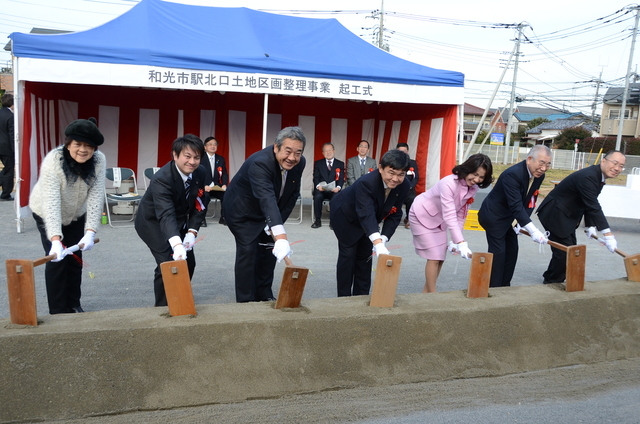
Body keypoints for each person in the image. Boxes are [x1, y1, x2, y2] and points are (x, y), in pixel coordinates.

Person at [29, 118, 106, 314]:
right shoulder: (54, 160)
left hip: (76, 215)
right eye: (78, 144)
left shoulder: (99, 160)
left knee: (74, 258)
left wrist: (90, 232)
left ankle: (73, 303)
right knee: (57, 260)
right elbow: (51, 202)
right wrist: (55, 239)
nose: (83, 150)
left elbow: (96, 197)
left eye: (88, 146)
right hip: (46, 212)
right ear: (68, 143)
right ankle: (57, 310)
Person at [224, 126, 306, 303]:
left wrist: (276, 227)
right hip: (242, 211)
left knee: (269, 251)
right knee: (249, 251)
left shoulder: (300, 163)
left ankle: (264, 293)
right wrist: (282, 236)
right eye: (288, 151)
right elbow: (266, 198)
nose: (292, 158)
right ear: (276, 147)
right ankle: (246, 301)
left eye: (297, 153)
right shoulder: (261, 162)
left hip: (270, 212)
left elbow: (292, 195)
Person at [135, 134, 210, 307]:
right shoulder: (162, 178)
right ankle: (163, 306)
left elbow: (200, 202)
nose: (192, 162)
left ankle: (179, 296)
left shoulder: (201, 172)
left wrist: (192, 232)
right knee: (168, 260)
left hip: (178, 220)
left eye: (197, 157)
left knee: (188, 260)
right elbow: (165, 214)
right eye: (187, 156)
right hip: (153, 221)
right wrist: (176, 245)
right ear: (175, 155)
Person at [330, 149, 410, 297]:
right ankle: (343, 300)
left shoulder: (404, 185)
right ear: (380, 168)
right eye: (391, 173)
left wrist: (384, 238)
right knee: (348, 256)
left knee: (365, 257)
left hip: (370, 220)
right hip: (346, 217)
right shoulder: (367, 182)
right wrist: (377, 242)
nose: (395, 179)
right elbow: (365, 213)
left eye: (401, 174)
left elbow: (395, 212)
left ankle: (361, 297)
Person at [537, 150, 625, 284]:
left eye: (621, 166)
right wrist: (608, 234)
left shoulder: (598, 176)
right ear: (603, 161)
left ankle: (551, 276)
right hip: (555, 214)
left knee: (568, 249)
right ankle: (552, 283)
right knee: (566, 252)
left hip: (567, 215)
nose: (617, 168)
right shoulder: (588, 177)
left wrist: (590, 225)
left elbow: (589, 201)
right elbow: (594, 206)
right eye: (615, 163)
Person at [409, 153, 493, 293]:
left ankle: (426, 294)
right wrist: (461, 242)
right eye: (474, 174)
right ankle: (433, 295)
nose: (476, 179)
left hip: (439, 220)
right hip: (421, 215)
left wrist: (456, 240)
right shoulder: (449, 182)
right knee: (434, 256)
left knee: (440, 257)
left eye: (481, 177)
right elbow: (449, 214)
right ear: (467, 168)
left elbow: (461, 214)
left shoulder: (473, 188)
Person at [478, 145, 551, 288]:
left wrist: (520, 224)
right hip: (493, 215)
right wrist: (533, 230)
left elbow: (530, 200)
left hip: (507, 218)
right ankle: (493, 288)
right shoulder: (513, 174)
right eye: (541, 163)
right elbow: (516, 205)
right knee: (498, 253)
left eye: (548, 164)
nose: (543, 168)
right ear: (529, 159)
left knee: (512, 250)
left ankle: (505, 285)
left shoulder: (539, 176)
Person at [311, 143, 344, 228]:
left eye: (330, 150)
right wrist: (318, 186)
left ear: (334, 151)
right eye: (326, 151)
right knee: (317, 197)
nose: (328, 152)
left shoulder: (340, 164)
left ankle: (333, 221)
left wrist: (338, 187)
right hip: (322, 189)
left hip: (334, 190)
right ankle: (317, 220)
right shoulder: (318, 163)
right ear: (322, 153)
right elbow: (316, 177)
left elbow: (341, 178)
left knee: (336, 197)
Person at [201, 136, 228, 226]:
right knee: (205, 196)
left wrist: (224, 184)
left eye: (215, 144)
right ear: (205, 147)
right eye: (210, 144)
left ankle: (223, 217)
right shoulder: (200, 158)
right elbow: (196, 175)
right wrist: (203, 185)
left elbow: (224, 174)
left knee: (226, 195)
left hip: (216, 186)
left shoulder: (220, 159)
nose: (213, 146)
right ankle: (201, 218)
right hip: (204, 186)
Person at [396, 143, 420, 229]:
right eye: (400, 151)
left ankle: (409, 218)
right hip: (396, 188)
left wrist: (409, 186)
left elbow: (416, 177)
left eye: (404, 151)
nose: (402, 153)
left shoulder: (412, 163)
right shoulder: (393, 162)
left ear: (408, 151)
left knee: (412, 197)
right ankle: (395, 217)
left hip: (408, 188)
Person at [0, 93, 15, 201]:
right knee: (9, 170)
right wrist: (15, 150)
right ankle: (6, 194)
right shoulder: (10, 116)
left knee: (6, 170)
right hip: (6, 148)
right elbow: (11, 134)